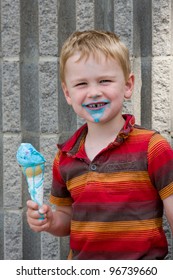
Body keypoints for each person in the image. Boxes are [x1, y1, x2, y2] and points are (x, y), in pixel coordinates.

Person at [27, 30, 173, 260]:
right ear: (68, 93)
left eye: (104, 81)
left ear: (127, 85)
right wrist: (51, 221)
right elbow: (67, 217)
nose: (94, 92)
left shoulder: (152, 147)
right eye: (81, 84)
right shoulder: (65, 156)